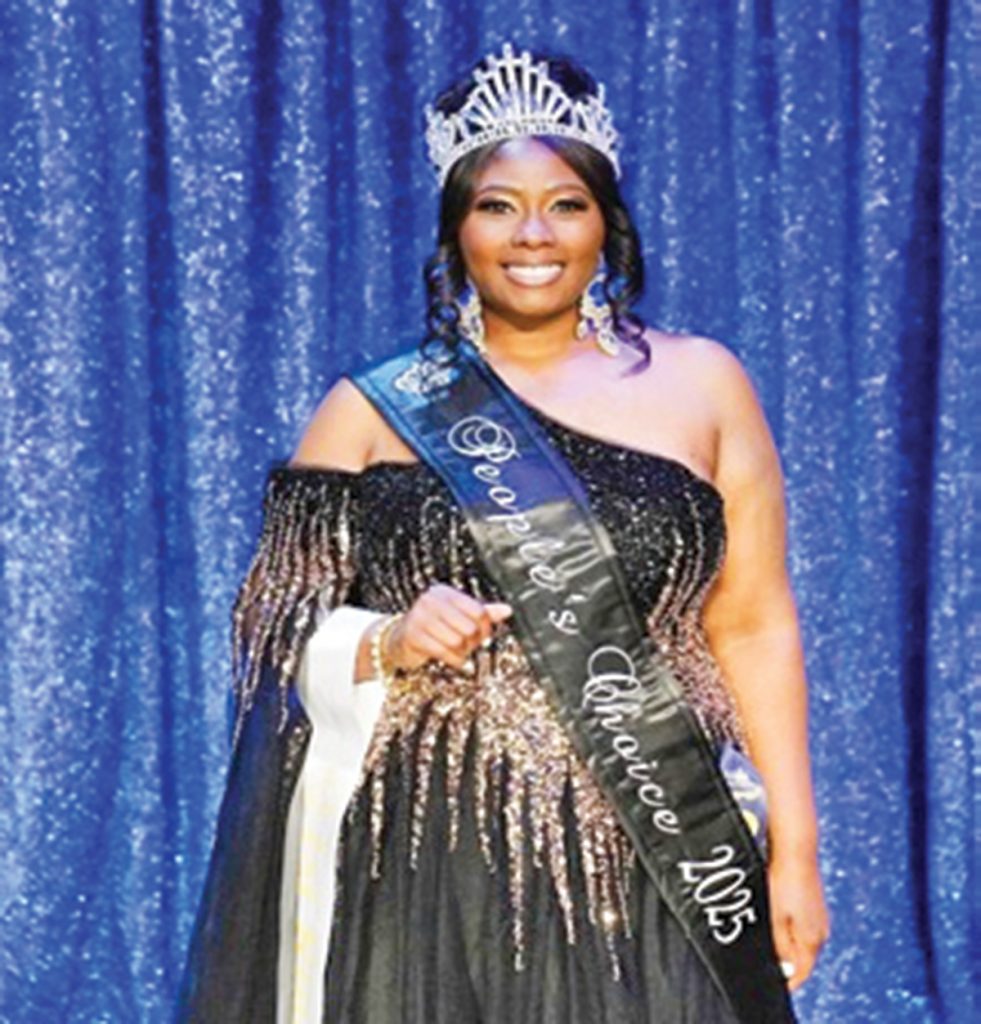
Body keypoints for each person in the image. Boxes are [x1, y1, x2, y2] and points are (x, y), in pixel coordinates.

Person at [177, 42, 829, 1024]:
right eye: (497, 205)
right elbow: (272, 636)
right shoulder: (372, 408)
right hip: (431, 844)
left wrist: (796, 852)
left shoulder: (704, 384)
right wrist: (389, 638)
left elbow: (753, 622)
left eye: (565, 204)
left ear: (607, 224)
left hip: (655, 839)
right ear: (457, 229)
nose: (533, 234)